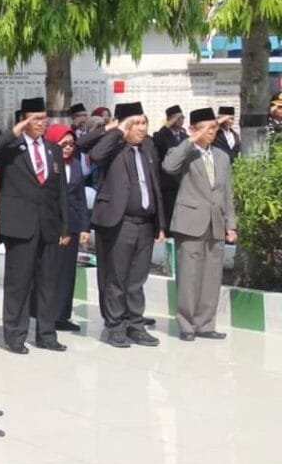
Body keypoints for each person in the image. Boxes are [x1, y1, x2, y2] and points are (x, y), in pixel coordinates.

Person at [0, 97, 70, 354]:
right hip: (20, 225)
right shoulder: (11, 148)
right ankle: (15, 335)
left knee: (47, 282)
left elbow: (60, 190)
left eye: (44, 118)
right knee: (18, 283)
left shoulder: (52, 149)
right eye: (36, 118)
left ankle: (46, 334)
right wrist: (14, 132)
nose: (42, 123)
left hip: (48, 224)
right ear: (24, 120)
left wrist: (64, 227)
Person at [89, 102, 165, 348]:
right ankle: (115, 326)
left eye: (144, 123)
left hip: (144, 223)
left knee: (137, 278)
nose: (142, 128)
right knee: (116, 277)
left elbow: (155, 185)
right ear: (125, 126)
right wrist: (117, 130)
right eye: (136, 123)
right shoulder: (114, 147)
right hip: (119, 222)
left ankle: (135, 324)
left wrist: (160, 222)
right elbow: (94, 154)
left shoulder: (148, 147)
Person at [162, 108, 236, 341]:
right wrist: (190, 141)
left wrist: (231, 224)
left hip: (215, 222)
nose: (211, 132)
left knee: (212, 275)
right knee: (189, 275)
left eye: (214, 128)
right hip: (190, 222)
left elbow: (227, 193)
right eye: (205, 128)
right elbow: (168, 166)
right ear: (193, 129)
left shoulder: (222, 156)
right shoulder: (184, 152)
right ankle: (186, 324)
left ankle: (206, 324)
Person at [43, 124, 90, 332]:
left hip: (71, 224)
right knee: (52, 271)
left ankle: (63, 315)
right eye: (64, 144)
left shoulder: (76, 165)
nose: (68, 148)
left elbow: (80, 198)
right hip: (53, 225)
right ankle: (47, 315)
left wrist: (84, 227)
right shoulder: (48, 164)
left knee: (67, 272)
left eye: (72, 144)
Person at [153, 105, 187, 226]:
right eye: (177, 118)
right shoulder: (162, 135)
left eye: (182, 117)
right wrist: (168, 124)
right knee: (168, 215)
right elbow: (156, 140)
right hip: (167, 183)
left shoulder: (185, 137)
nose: (181, 120)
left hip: (182, 182)